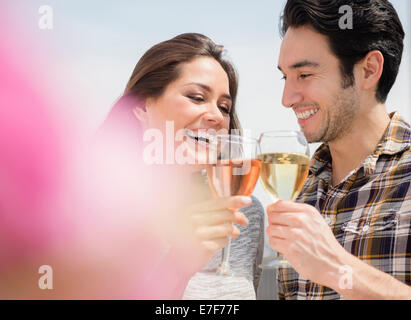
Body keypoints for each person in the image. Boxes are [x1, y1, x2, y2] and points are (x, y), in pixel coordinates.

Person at [98, 33, 265, 299]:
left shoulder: (245, 214)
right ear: (141, 108)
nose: (215, 117)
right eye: (197, 97)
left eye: (224, 107)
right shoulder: (91, 211)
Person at [267, 0, 411, 299]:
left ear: (368, 70)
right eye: (285, 77)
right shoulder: (298, 190)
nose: (287, 98)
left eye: (304, 75)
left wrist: (337, 267)